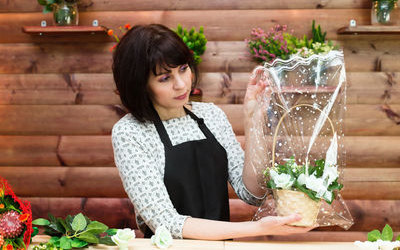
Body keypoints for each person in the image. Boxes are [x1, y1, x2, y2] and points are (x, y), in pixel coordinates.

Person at [111, 24, 311, 240]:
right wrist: (258, 229)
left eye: (183, 69)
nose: (181, 84)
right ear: (140, 84)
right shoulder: (130, 132)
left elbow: (252, 193)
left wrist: (253, 120)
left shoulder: (211, 116)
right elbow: (167, 223)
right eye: (164, 78)